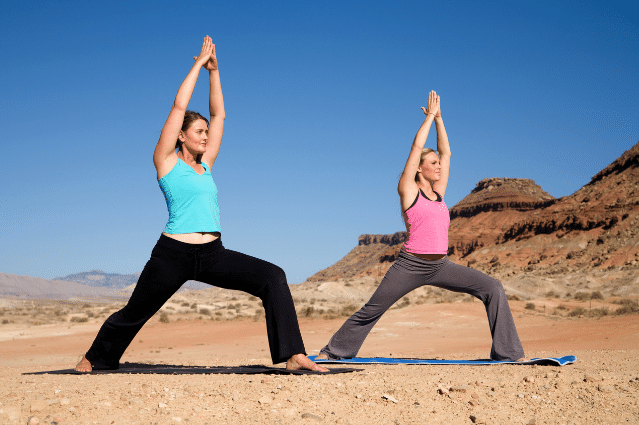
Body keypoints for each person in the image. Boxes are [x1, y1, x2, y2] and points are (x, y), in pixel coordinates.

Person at [75, 36, 326, 372]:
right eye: (199, 131)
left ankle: (293, 356)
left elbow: (219, 114)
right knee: (135, 312)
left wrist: (214, 72)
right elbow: (178, 108)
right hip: (173, 254)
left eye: (207, 131)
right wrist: (195, 65)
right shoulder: (165, 162)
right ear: (181, 135)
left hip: (213, 254)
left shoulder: (205, 165)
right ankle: (96, 357)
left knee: (272, 277)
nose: (206, 135)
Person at [317, 91, 526, 362]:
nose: (439, 166)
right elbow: (416, 150)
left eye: (439, 164)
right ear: (419, 169)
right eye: (433, 164)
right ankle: (331, 352)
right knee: (373, 308)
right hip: (410, 265)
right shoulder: (408, 190)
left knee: (493, 288)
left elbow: (447, 152)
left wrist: (440, 119)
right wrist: (428, 118)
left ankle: (508, 352)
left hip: (441, 265)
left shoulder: (438, 192)